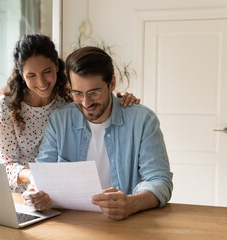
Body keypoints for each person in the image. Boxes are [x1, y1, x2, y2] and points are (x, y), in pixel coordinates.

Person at [22, 46, 173, 220]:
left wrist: (132, 203)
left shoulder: (143, 121)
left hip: (124, 225)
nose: (86, 102)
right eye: (77, 93)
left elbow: (159, 181)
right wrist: (33, 195)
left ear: (112, 83)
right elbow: (43, 175)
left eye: (94, 92)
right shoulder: (59, 121)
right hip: (71, 223)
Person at [0, 34, 140, 193]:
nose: (41, 82)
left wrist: (121, 100)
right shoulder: (6, 106)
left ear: (56, 65)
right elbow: (7, 165)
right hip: (22, 194)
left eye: (47, 71)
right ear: (22, 74)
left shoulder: (68, 100)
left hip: (57, 193)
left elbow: (97, 99)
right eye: (31, 75)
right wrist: (34, 177)